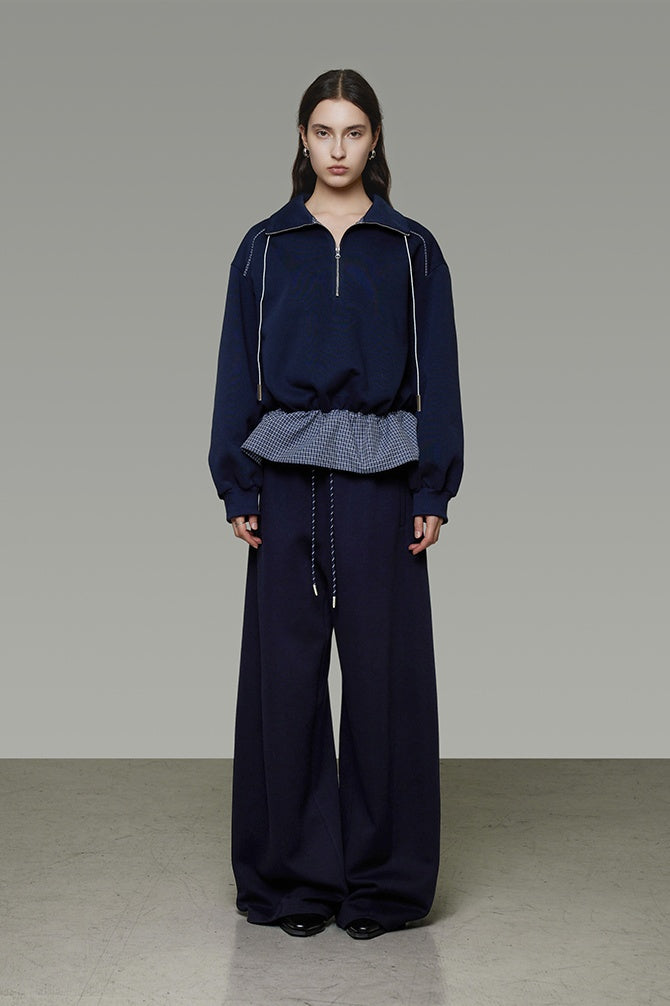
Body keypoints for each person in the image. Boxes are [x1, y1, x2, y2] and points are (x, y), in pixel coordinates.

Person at [208, 68, 464, 940]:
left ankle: (384, 884)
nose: (339, 148)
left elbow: (438, 374)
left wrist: (433, 485)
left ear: (375, 139)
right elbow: (236, 368)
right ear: (303, 139)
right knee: (284, 683)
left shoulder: (411, 248)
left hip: (383, 482)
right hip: (283, 483)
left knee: (386, 682)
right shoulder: (265, 246)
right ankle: (294, 881)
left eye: (354, 131)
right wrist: (236, 481)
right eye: (324, 131)